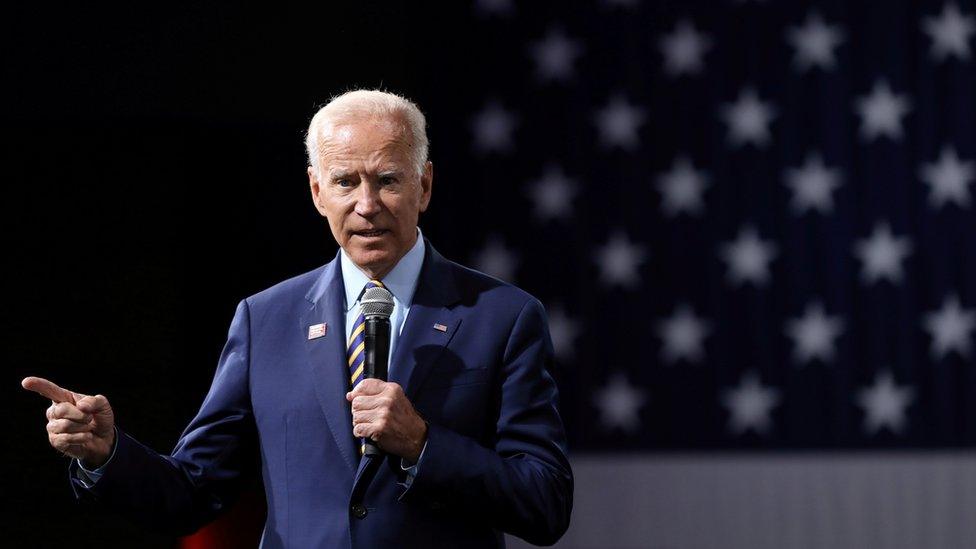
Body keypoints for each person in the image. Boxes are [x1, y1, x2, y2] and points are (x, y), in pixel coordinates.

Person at [22, 89, 573, 548]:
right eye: (345, 182)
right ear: (316, 191)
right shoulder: (266, 321)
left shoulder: (503, 317)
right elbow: (193, 490)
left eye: (387, 180)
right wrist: (108, 454)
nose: (367, 203)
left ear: (424, 185)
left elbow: (545, 502)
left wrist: (425, 444)